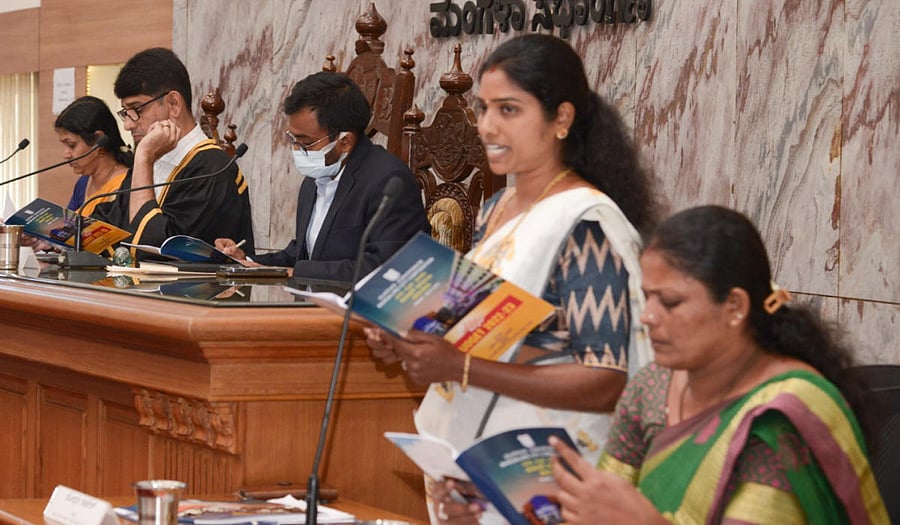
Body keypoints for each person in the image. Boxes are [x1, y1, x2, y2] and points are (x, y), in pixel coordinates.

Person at [365, 34, 658, 524]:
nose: (487, 127)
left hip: (549, 481)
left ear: (561, 118)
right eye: (483, 109)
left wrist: (458, 367)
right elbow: (491, 331)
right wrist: (408, 341)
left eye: (509, 110)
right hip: (478, 468)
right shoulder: (498, 209)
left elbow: (606, 378)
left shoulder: (587, 223)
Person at [550, 206, 889, 524]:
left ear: (735, 307)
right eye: (647, 297)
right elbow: (604, 502)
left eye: (670, 302)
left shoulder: (779, 420)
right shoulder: (654, 387)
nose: (647, 317)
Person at [215, 71, 428, 282]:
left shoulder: (389, 181)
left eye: (306, 143)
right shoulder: (314, 180)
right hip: (314, 307)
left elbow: (389, 267)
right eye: (293, 139)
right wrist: (249, 261)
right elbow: (302, 254)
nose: (297, 150)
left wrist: (298, 273)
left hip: (364, 312)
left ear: (345, 141)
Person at [92, 47, 254, 258]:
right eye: (125, 113)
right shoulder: (152, 160)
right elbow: (111, 222)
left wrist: (143, 157)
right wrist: (57, 235)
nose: (128, 125)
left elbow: (151, 247)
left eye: (137, 110)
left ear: (174, 104)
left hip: (198, 290)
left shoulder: (213, 169)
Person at [55, 96, 133, 215]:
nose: (65, 154)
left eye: (71, 145)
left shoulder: (128, 183)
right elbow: (67, 225)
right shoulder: (83, 182)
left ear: (98, 140)